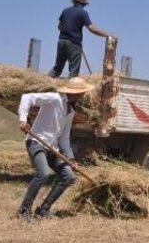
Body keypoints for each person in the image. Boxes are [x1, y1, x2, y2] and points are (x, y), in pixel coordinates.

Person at [16, 77, 95, 219]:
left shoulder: (70, 112)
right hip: (36, 142)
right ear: (74, 93)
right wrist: (23, 120)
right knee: (43, 173)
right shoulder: (54, 99)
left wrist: (71, 158)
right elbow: (27, 97)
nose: (83, 96)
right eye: (82, 93)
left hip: (52, 148)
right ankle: (24, 210)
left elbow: (64, 137)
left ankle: (44, 209)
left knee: (68, 176)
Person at [49, 0, 115, 78]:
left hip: (62, 42)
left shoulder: (65, 11)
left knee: (57, 69)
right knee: (74, 72)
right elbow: (92, 28)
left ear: (74, 2)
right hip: (74, 44)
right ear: (83, 4)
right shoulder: (83, 13)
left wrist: (68, 31)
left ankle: (45, 84)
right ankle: (71, 89)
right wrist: (107, 35)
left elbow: (59, 27)